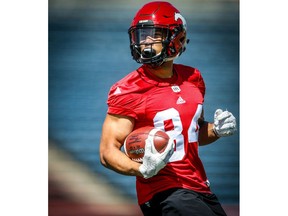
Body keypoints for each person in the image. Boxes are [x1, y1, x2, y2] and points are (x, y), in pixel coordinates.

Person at [99, 1, 237, 215]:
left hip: (199, 187)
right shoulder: (127, 89)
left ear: (177, 38)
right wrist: (141, 169)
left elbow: (190, 135)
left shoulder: (193, 78)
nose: (145, 41)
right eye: (141, 35)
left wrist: (216, 130)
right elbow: (107, 151)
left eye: (153, 34)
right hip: (164, 192)